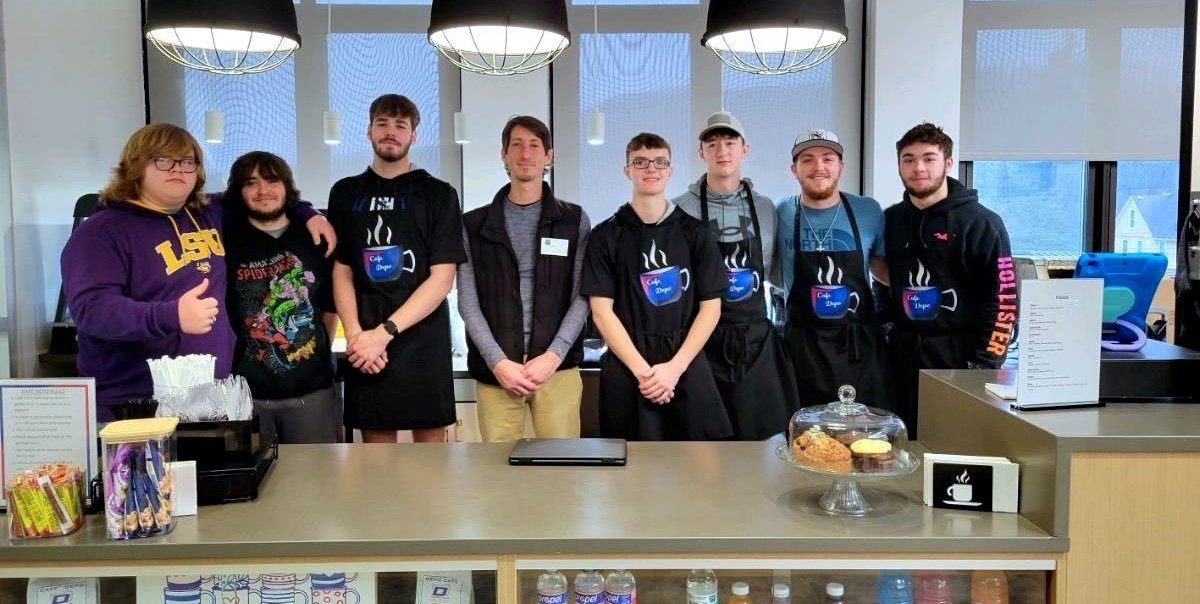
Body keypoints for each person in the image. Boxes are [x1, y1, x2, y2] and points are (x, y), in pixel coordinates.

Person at [60, 123, 335, 423]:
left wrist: (309, 213)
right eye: (163, 160)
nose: (177, 169)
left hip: (211, 399)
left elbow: (265, 198)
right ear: (136, 166)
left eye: (187, 161)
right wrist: (170, 315)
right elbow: (91, 310)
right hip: (135, 405)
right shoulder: (100, 232)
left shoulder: (206, 211)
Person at [327, 94, 466, 443]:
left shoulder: (438, 194)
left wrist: (384, 333)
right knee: (376, 457)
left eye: (400, 126)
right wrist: (358, 336)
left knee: (431, 460)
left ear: (413, 136)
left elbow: (442, 279)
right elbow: (342, 270)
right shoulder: (345, 192)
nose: (391, 132)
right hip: (366, 339)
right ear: (368, 131)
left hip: (422, 337)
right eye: (383, 124)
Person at [581, 132, 732, 440]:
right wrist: (645, 374)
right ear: (628, 171)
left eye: (659, 162)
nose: (651, 169)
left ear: (670, 170)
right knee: (631, 473)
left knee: (701, 468)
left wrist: (673, 370)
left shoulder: (695, 233)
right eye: (641, 162)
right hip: (628, 367)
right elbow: (601, 312)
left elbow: (711, 307)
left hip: (685, 363)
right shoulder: (605, 236)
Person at [458, 116, 590, 441]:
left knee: (562, 473)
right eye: (516, 144)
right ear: (504, 154)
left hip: (557, 370)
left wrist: (553, 355)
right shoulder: (474, 225)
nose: (525, 153)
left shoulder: (573, 220)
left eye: (534, 145)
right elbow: (468, 303)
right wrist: (498, 362)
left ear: (549, 156)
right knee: (498, 475)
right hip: (497, 373)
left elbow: (583, 296)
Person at [672, 111, 798, 439]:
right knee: (705, 441)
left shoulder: (767, 208)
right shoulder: (679, 209)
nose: (722, 150)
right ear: (701, 154)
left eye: (730, 142)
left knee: (762, 440)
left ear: (745, 149)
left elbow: (775, 274)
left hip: (756, 342)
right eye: (712, 144)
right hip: (702, 343)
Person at [884, 123, 1016, 435]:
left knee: (954, 446)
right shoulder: (891, 220)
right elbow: (883, 279)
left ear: (948, 163)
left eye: (929, 158)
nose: (918, 168)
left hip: (959, 359)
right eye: (909, 159)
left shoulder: (982, 224)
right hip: (900, 359)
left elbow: (1004, 299)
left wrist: (984, 367)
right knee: (901, 446)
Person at [224, 152, 340, 444]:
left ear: (287, 186)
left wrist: (311, 351)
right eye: (251, 183)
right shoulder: (226, 240)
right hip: (246, 396)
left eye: (272, 180)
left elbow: (328, 307)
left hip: (312, 393)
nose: (263, 190)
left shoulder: (316, 236)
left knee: (317, 483)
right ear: (240, 191)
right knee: (255, 486)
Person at [774, 129, 893, 411]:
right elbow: (767, 266)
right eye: (807, 159)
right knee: (806, 438)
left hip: (858, 348)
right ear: (794, 169)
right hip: (802, 347)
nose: (819, 167)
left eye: (828, 158)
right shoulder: (780, 210)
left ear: (841, 166)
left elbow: (883, 272)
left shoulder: (868, 210)